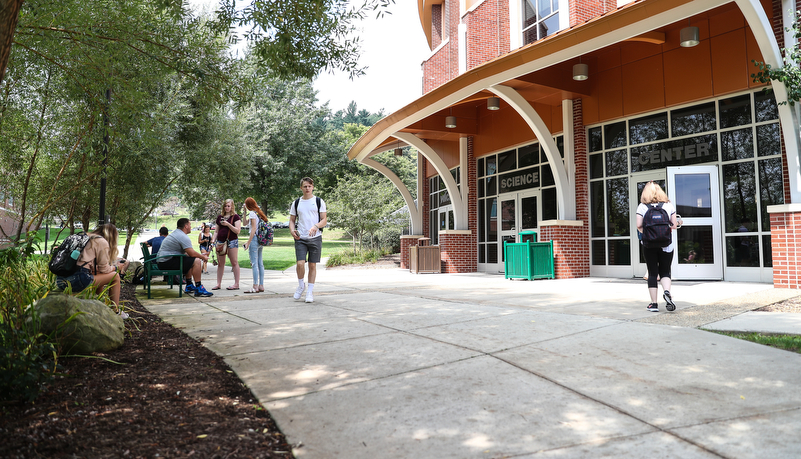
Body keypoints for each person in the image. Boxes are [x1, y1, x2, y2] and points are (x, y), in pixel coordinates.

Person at [56, 223, 131, 318]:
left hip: (60, 280)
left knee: (99, 273)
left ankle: (99, 303)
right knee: (115, 276)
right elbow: (105, 269)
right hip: (76, 280)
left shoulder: (84, 237)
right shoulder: (101, 241)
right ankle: (115, 311)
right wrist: (117, 268)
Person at [636, 182, 679, 312]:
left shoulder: (642, 207)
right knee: (665, 271)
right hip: (666, 244)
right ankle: (667, 292)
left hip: (649, 244)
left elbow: (639, 225)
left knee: (653, 272)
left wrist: (649, 234)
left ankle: (654, 304)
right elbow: (674, 225)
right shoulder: (668, 205)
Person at [289, 177, 327, 303]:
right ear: (301, 188)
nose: (307, 188)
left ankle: (309, 292)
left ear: (313, 187)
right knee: (300, 263)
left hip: (315, 238)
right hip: (300, 238)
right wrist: (292, 230)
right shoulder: (296, 203)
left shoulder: (318, 201)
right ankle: (301, 286)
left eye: (309, 186)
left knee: (312, 265)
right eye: (305, 186)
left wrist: (316, 226)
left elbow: (324, 220)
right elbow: (292, 220)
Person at [156, 218, 213, 297]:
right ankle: (199, 288)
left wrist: (201, 255)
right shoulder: (182, 236)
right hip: (166, 262)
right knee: (196, 261)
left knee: (189, 260)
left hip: (163, 261)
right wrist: (203, 258)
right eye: (190, 225)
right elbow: (192, 253)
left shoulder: (177, 233)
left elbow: (188, 253)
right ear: (186, 226)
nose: (191, 227)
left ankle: (189, 285)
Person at [211, 198, 241, 290]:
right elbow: (216, 231)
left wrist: (228, 224)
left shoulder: (235, 217)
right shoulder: (220, 217)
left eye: (228, 206)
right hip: (220, 242)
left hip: (231, 241)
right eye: (225, 206)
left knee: (234, 262)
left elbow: (237, 231)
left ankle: (236, 284)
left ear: (232, 207)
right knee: (220, 263)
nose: (227, 208)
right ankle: (218, 283)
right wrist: (212, 241)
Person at [243, 197, 268, 294]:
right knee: (260, 263)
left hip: (254, 240)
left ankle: (255, 286)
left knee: (254, 264)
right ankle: (261, 285)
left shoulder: (253, 213)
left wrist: (248, 242)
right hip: (260, 240)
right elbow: (245, 223)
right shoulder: (257, 213)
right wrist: (244, 212)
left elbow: (253, 229)